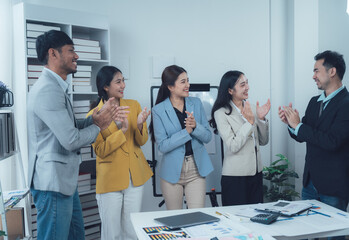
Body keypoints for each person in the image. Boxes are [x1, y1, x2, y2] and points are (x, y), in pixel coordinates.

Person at [27, 30, 126, 240]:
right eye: (71, 50)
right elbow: (71, 139)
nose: (77, 56)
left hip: (63, 182)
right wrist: (99, 126)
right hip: (53, 183)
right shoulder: (48, 90)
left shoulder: (56, 87)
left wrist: (96, 119)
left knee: (76, 235)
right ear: (53, 54)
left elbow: (69, 126)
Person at [279, 51, 349, 218]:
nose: (313, 76)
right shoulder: (313, 102)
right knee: (306, 229)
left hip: (334, 186)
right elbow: (303, 135)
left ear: (332, 72)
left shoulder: (347, 104)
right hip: (310, 184)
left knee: (334, 235)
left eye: (316, 71)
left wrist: (299, 125)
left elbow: (333, 142)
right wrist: (291, 124)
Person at [86, 66, 153, 240]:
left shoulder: (133, 105)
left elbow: (142, 141)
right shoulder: (94, 115)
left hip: (134, 177)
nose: (123, 85)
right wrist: (121, 130)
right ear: (106, 87)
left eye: (123, 81)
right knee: (111, 234)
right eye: (118, 81)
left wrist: (139, 125)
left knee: (132, 231)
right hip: (110, 181)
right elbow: (100, 151)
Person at [149, 65, 213, 210]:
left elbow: (208, 137)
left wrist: (196, 127)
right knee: (175, 218)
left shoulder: (196, 103)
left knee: (196, 216)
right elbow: (162, 146)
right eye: (183, 82)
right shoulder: (158, 110)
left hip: (196, 169)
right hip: (172, 172)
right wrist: (187, 132)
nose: (188, 85)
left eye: (188, 81)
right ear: (171, 87)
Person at [210, 71, 270, 206]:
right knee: (235, 220)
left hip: (256, 174)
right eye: (243, 84)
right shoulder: (221, 113)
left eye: (247, 83)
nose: (247, 87)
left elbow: (263, 141)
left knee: (255, 219)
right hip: (235, 177)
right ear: (230, 90)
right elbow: (233, 146)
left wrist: (261, 120)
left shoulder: (253, 108)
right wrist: (249, 123)